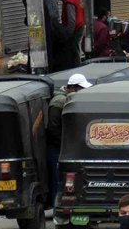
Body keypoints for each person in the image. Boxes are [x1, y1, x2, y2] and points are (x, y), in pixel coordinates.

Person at [48, 73, 92, 205]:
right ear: (72, 88)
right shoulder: (59, 102)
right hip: (57, 149)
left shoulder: (70, 100)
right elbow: (53, 127)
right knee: (59, 179)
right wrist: (65, 145)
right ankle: (58, 207)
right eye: (81, 89)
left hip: (66, 148)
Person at [56, 0, 85, 69]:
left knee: (74, 49)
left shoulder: (69, 1)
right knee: (75, 48)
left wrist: (68, 33)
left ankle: (76, 67)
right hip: (79, 25)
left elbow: (71, 20)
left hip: (76, 28)